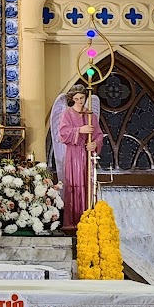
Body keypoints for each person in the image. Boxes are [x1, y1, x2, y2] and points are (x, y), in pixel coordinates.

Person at [57, 84, 103, 229]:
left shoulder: (91, 115)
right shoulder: (67, 114)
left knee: (88, 184)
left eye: (82, 98)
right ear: (72, 99)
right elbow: (63, 134)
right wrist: (80, 130)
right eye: (76, 98)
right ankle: (72, 221)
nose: (79, 101)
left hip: (87, 155)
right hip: (74, 154)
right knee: (74, 184)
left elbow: (99, 135)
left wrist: (94, 144)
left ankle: (88, 217)